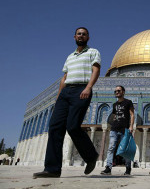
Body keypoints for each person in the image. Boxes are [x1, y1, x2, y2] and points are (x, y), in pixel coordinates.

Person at [33, 27, 101, 178]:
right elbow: (64, 77)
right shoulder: (70, 56)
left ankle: (91, 156)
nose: (81, 36)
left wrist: (89, 87)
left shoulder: (93, 52)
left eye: (84, 34)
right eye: (79, 34)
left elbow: (96, 70)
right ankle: (52, 168)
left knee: (72, 126)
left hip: (81, 90)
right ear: (74, 36)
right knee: (55, 127)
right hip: (66, 92)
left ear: (88, 37)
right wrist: (58, 97)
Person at [101, 86, 135, 175]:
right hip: (114, 129)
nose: (117, 92)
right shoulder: (114, 105)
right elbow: (114, 116)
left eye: (118, 91)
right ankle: (108, 167)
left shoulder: (128, 102)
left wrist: (131, 126)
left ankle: (128, 168)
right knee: (111, 148)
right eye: (115, 91)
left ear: (123, 92)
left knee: (125, 149)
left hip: (125, 129)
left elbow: (132, 115)